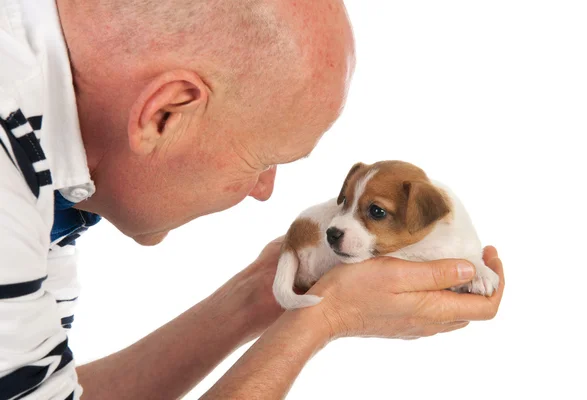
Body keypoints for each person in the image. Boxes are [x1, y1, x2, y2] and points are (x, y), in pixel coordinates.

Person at [0, 0, 505, 399]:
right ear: (164, 116)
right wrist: (323, 319)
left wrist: (256, 294)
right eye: (262, 161)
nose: (265, 192)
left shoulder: (48, 171)